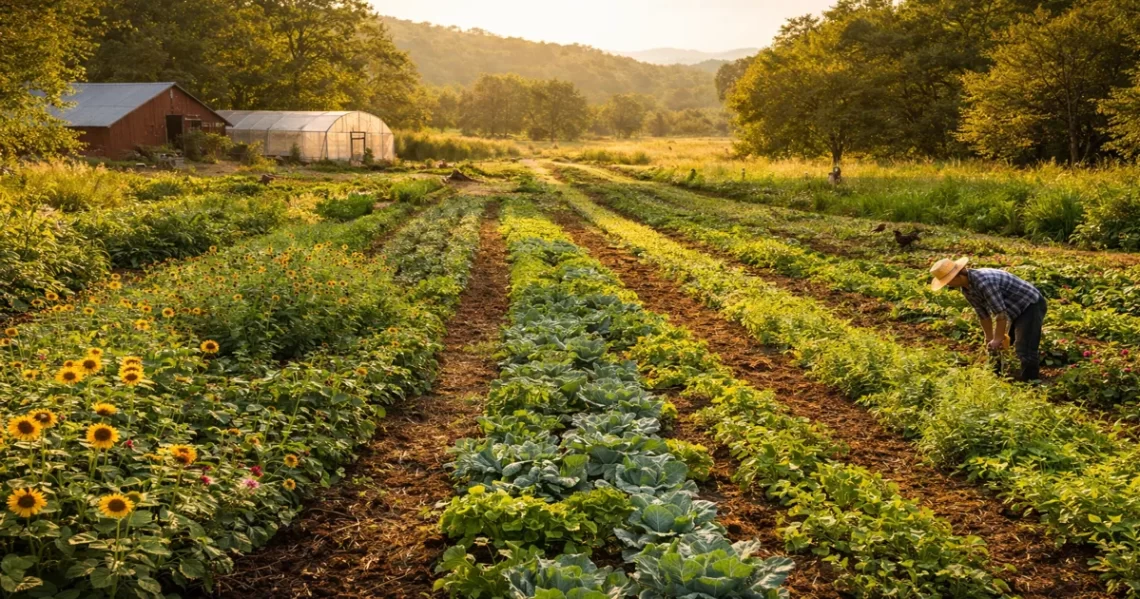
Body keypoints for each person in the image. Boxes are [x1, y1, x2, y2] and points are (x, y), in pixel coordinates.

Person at [930, 257, 1047, 381]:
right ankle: (998, 374)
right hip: (1012, 307)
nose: (947, 284)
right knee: (999, 343)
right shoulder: (966, 289)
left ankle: (1030, 383)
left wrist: (997, 339)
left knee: (1024, 347)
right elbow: (983, 315)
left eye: (947, 281)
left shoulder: (984, 282)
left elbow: (1000, 314)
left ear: (957, 277)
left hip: (1030, 304)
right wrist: (989, 338)